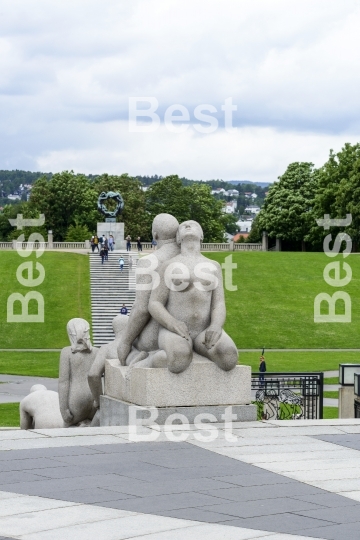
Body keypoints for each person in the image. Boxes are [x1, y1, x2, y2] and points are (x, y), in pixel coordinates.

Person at [148, 220, 238, 373]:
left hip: (204, 331)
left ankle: (174, 354)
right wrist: (172, 323)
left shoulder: (213, 266)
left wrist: (216, 326)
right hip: (174, 330)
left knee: (228, 357)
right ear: (178, 238)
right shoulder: (168, 265)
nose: (188, 226)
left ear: (201, 235)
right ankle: (147, 359)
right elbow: (154, 303)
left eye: (195, 225)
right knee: (179, 359)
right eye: (183, 226)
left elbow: (218, 304)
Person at [117, 213, 180, 366]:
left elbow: (142, 309)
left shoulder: (149, 262)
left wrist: (125, 341)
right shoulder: (190, 258)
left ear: (155, 234)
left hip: (156, 337)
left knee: (120, 328)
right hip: (188, 332)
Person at [88, 315, 147, 409]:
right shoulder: (137, 349)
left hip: (112, 399)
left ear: (114, 330)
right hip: (136, 401)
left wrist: (98, 400)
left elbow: (93, 375)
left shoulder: (106, 349)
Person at [58, 318, 99, 426]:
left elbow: (64, 382)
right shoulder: (96, 352)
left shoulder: (67, 353)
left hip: (76, 399)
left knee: (68, 432)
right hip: (94, 399)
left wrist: (64, 409)